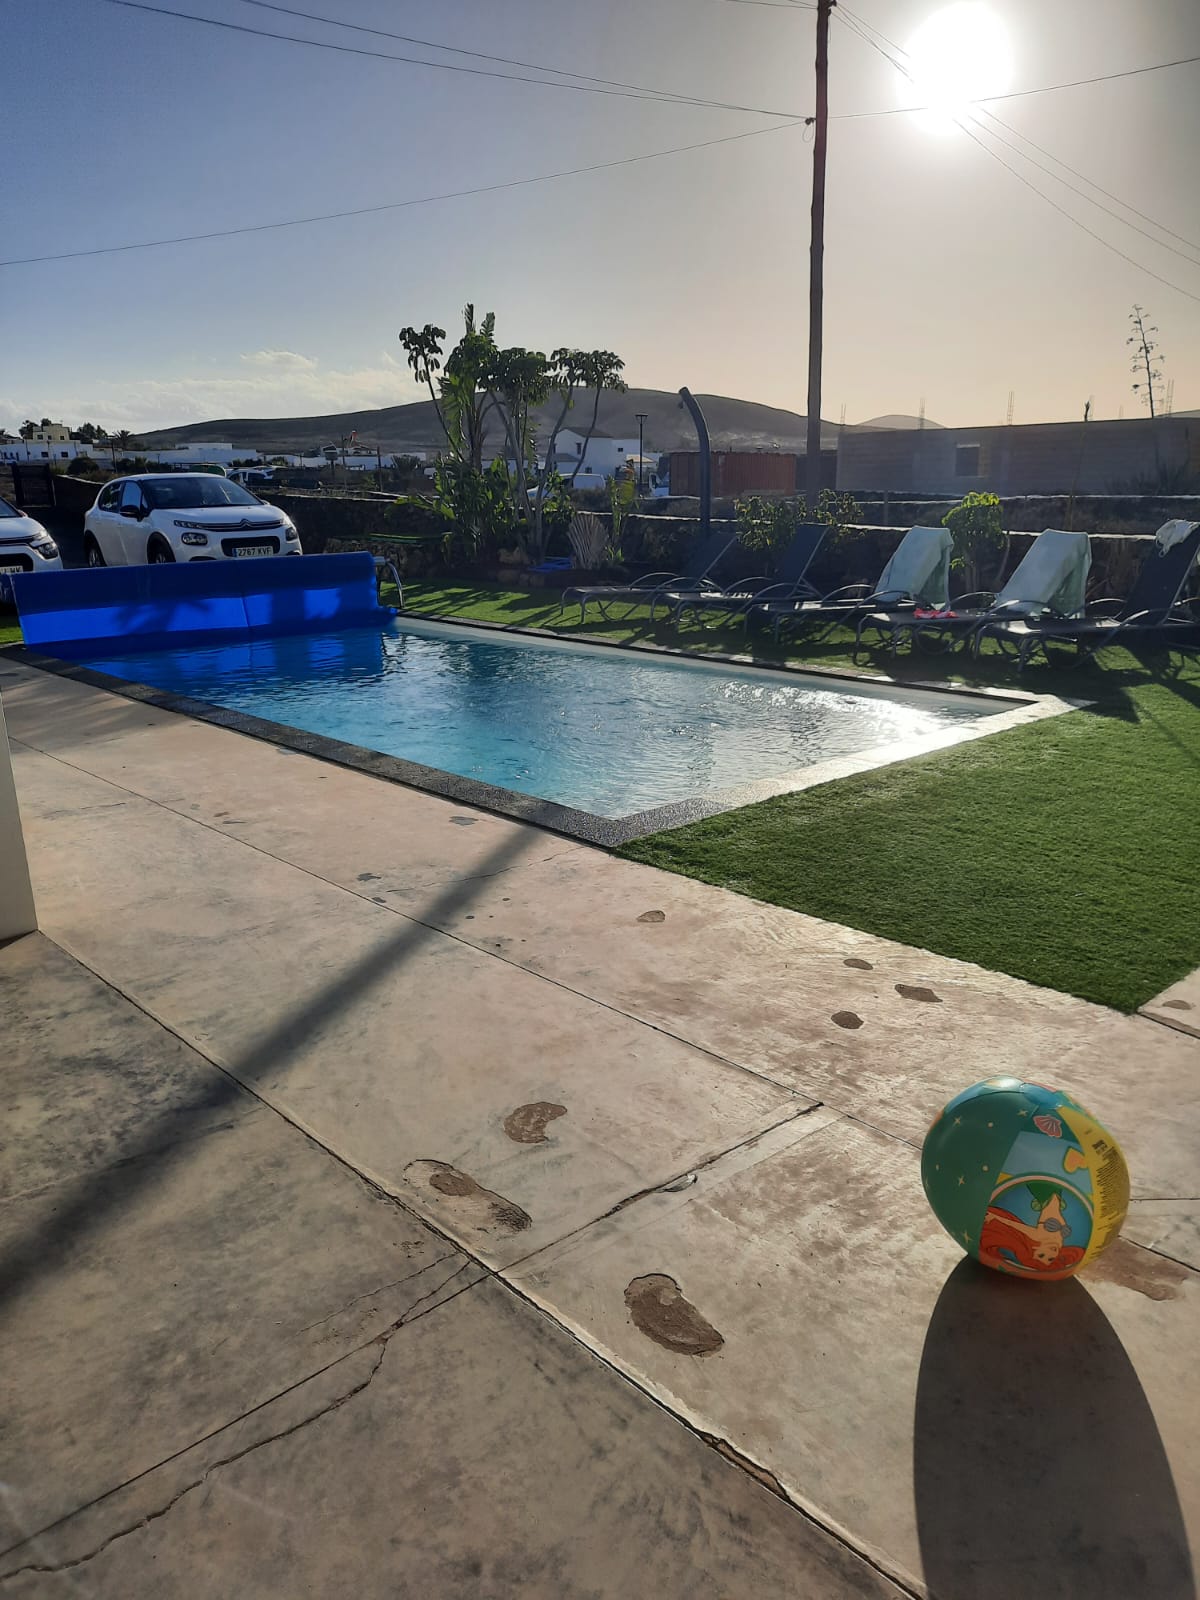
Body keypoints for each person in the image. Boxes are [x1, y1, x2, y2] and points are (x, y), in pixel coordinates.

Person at [979, 1182, 1086, 1275]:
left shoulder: (1037, 1235)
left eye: (1041, 1255)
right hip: (1056, 1194)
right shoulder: (1059, 1242)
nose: (1050, 1253)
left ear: (1034, 1248)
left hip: (1044, 1194)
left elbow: (1011, 1224)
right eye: (1050, 1258)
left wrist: (995, 1217)